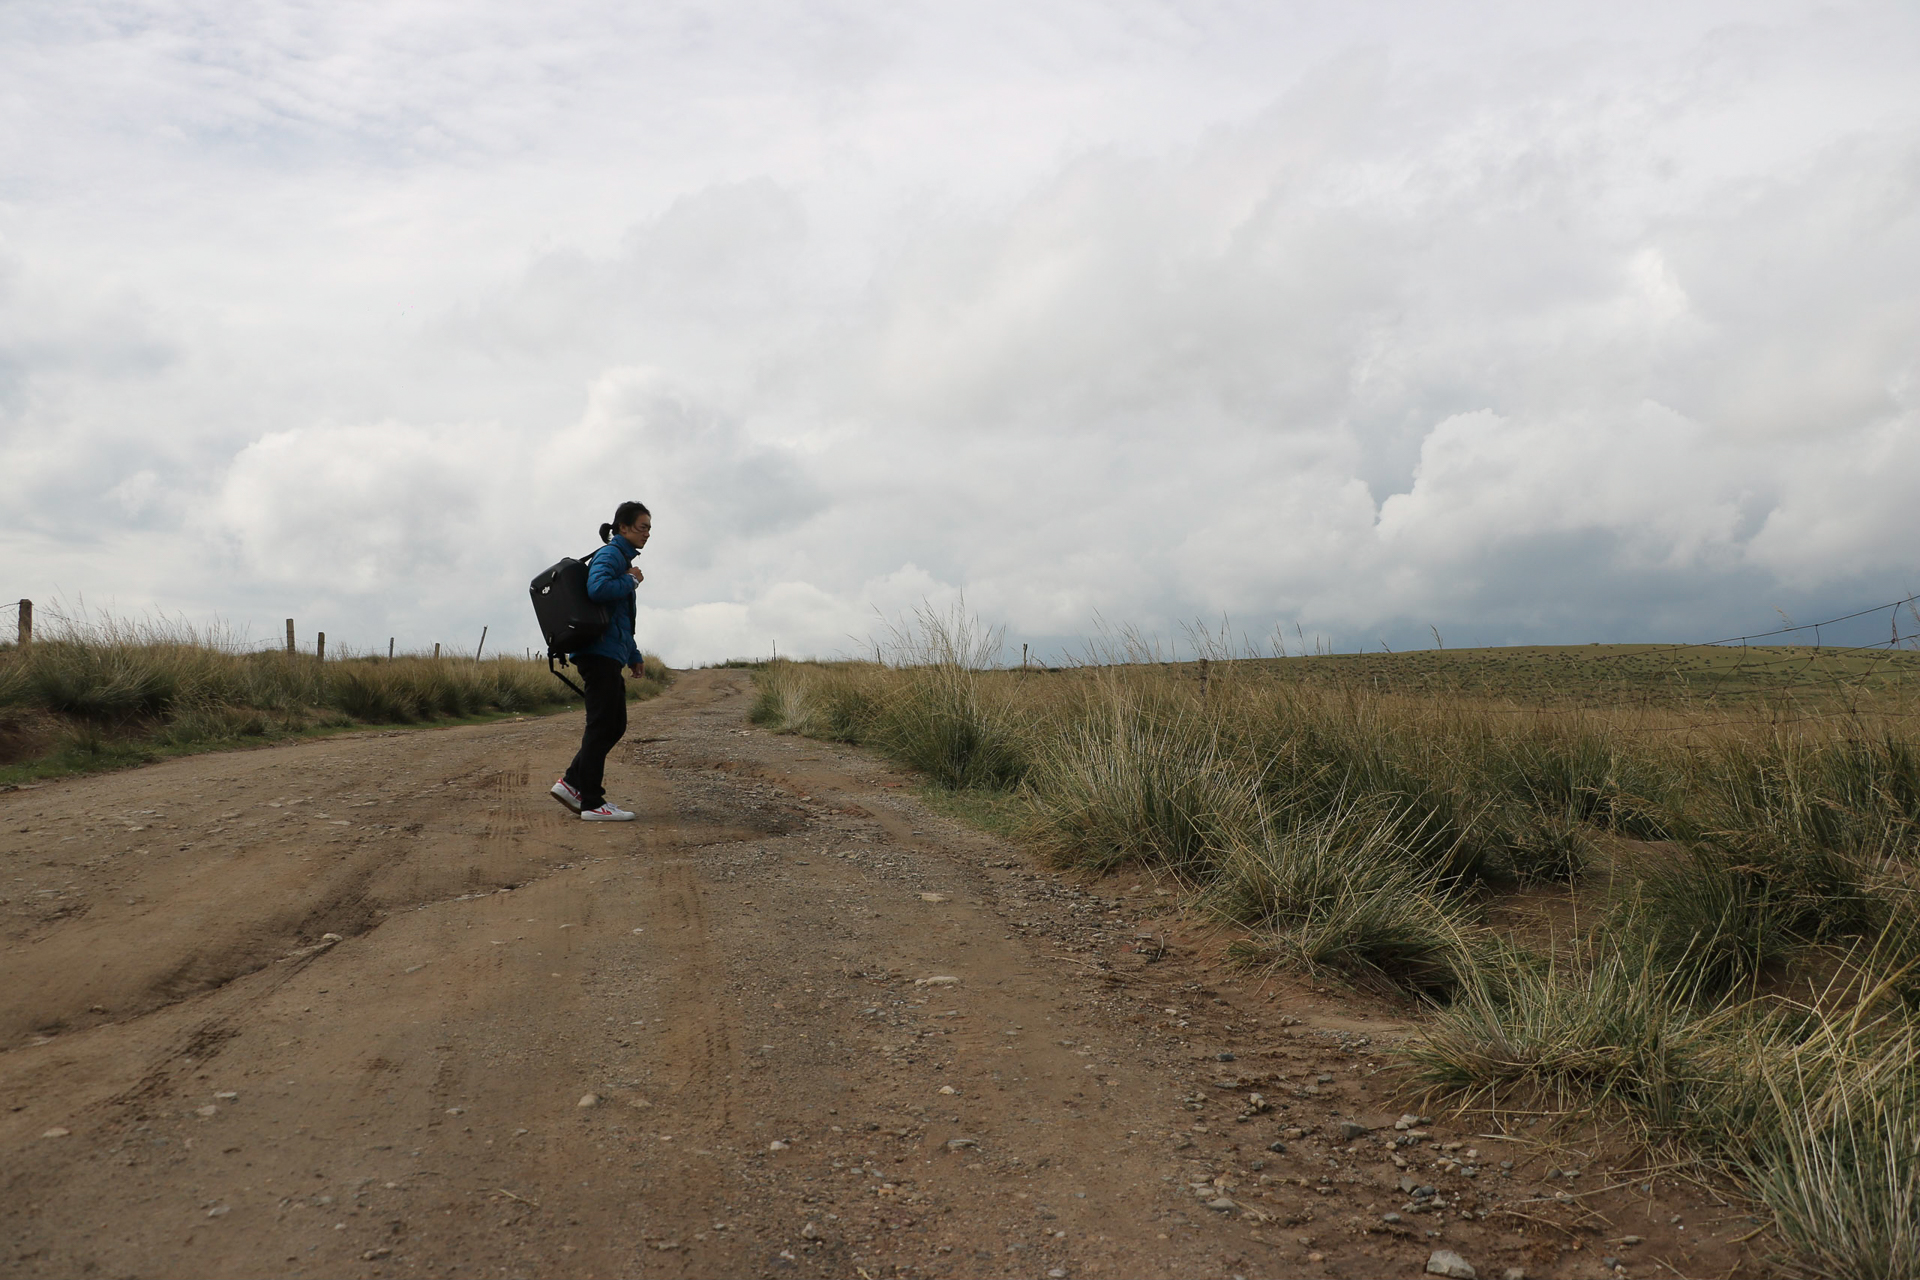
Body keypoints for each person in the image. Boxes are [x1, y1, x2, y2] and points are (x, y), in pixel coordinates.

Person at [550, 501, 650, 820]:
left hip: (609, 653)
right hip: (597, 654)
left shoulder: (621, 558)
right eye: (642, 527)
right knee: (602, 725)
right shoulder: (612, 556)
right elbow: (598, 590)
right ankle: (592, 802)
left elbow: (620, 618)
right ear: (622, 528)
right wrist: (631, 580)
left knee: (613, 724)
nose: (647, 534)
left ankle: (572, 784)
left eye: (649, 528)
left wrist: (633, 656)